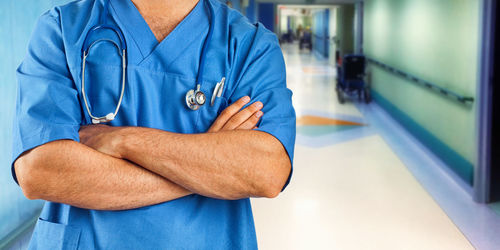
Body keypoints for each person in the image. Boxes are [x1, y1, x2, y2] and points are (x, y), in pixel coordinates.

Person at [11, 0, 295, 249]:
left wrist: (124, 140)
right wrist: (210, 169)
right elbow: (40, 170)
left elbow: (267, 172)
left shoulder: (249, 45)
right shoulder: (63, 29)